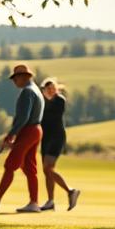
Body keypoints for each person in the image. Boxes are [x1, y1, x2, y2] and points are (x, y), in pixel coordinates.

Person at [0, 64, 43, 213]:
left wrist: (12, 133)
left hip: (28, 131)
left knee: (10, 164)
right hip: (36, 130)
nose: (14, 81)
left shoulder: (27, 91)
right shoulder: (36, 90)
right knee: (30, 168)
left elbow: (23, 117)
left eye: (15, 78)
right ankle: (34, 203)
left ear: (24, 77)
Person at [38, 78, 80, 211]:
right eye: (46, 89)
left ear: (55, 88)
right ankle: (50, 201)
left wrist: (44, 99)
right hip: (45, 138)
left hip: (56, 137)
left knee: (48, 168)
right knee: (46, 171)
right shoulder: (43, 102)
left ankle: (70, 191)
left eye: (51, 88)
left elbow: (53, 114)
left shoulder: (59, 99)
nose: (50, 91)